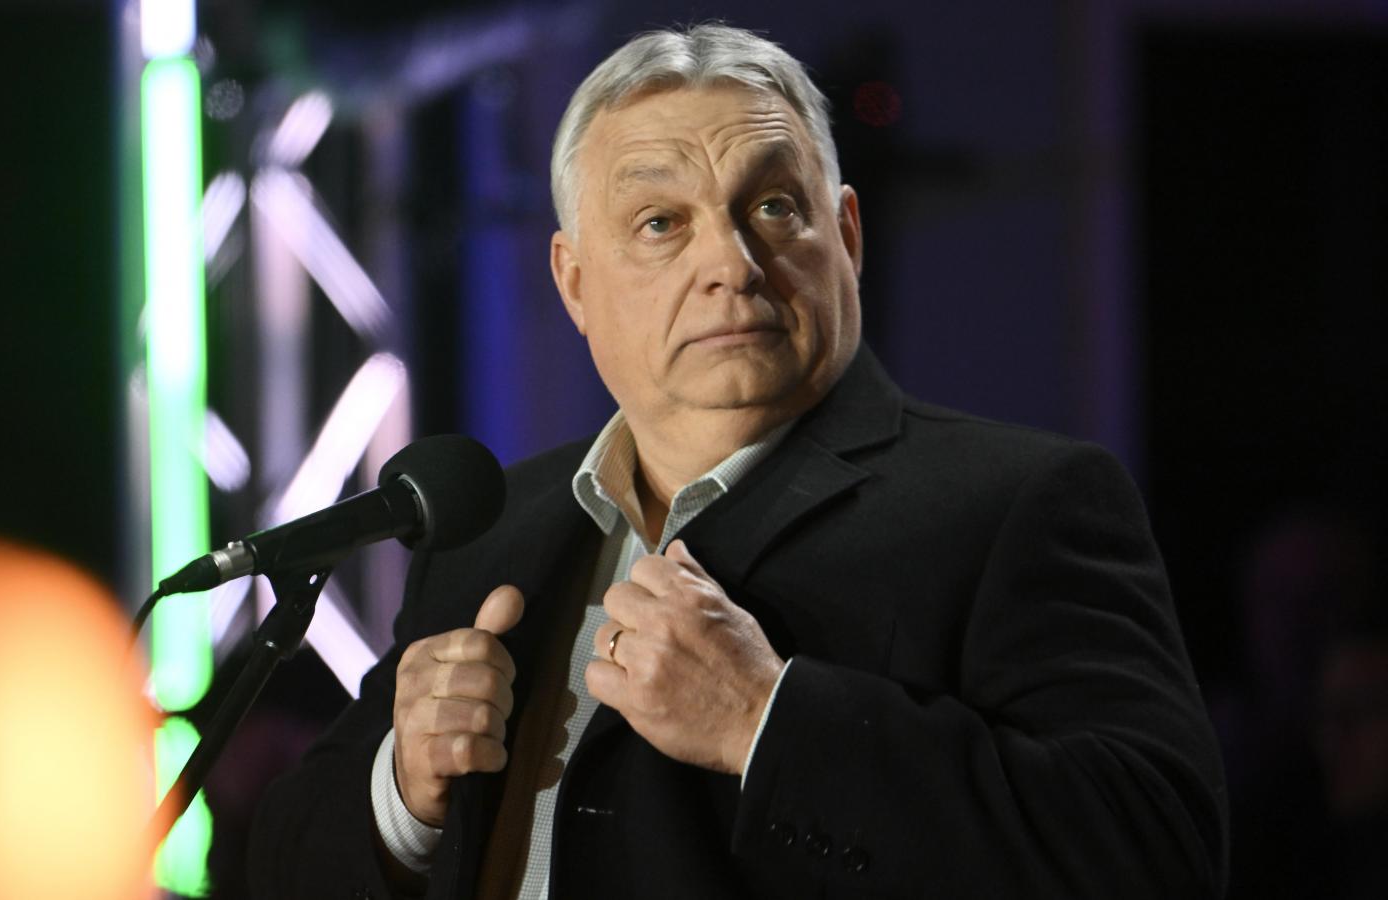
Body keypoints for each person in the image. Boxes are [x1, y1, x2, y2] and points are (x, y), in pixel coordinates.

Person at [250, 24, 1227, 899]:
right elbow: (267, 866)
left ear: (846, 236)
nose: (729, 263)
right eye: (660, 223)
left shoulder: (1018, 503)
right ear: (574, 282)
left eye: (772, 207)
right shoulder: (490, 530)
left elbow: (1155, 852)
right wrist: (402, 791)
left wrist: (765, 721)